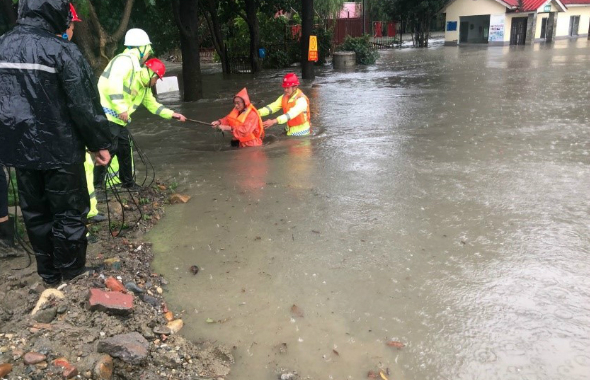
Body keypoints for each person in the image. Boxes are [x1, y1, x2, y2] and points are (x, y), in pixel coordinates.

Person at [0, 0, 112, 285]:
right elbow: (84, 105)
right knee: (69, 212)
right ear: (57, 15)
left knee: (35, 213)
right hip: (60, 149)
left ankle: (49, 276)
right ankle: (72, 274)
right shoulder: (61, 51)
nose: (71, 26)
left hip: (21, 151)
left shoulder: (3, 46)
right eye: (71, 21)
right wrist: (100, 143)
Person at [95, 30, 186, 191]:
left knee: (124, 149)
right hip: (107, 116)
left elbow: (153, 105)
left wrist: (173, 114)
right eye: (157, 78)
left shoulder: (143, 86)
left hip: (117, 119)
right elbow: (111, 85)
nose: (157, 81)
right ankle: (97, 187)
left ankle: (128, 183)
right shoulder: (125, 61)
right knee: (108, 151)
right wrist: (121, 108)